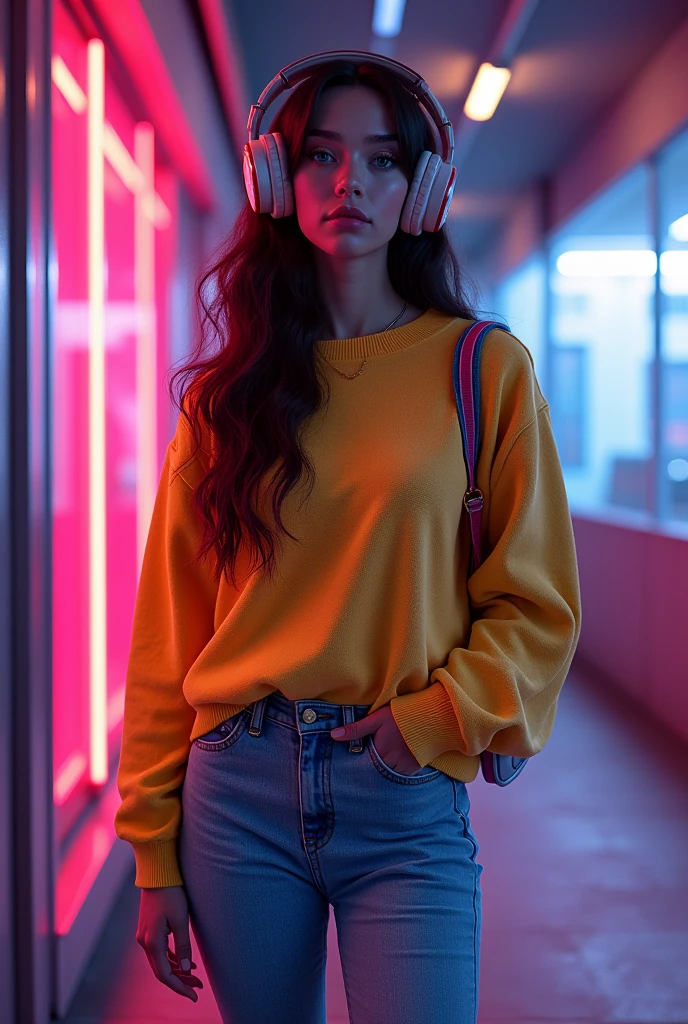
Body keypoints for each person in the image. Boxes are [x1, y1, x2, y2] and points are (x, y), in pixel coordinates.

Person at [114, 53, 581, 1024]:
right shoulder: (223, 400)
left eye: (378, 160)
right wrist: (151, 851)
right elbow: (170, 635)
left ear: (421, 188)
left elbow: (537, 603)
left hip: (403, 787)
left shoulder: (480, 370)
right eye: (320, 156)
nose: (346, 184)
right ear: (275, 182)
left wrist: (434, 723)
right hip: (234, 788)